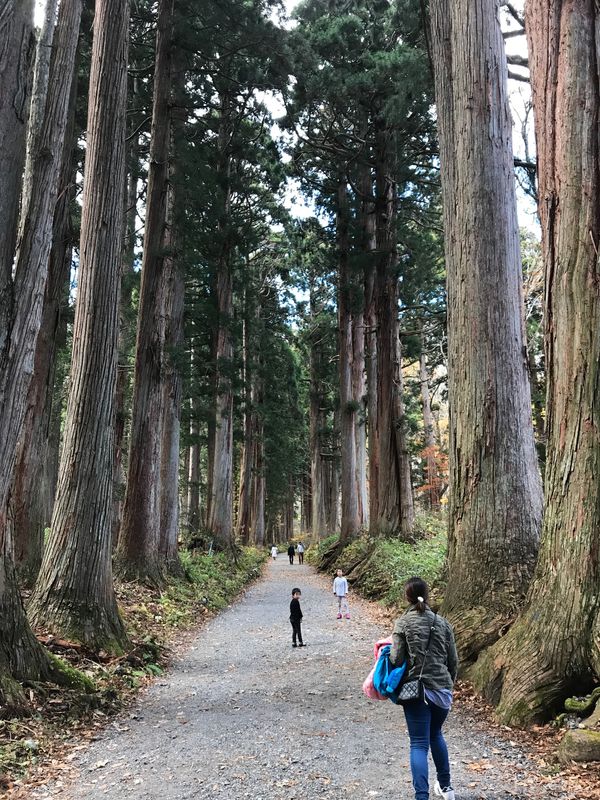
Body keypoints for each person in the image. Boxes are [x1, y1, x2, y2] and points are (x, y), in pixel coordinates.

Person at [389, 577, 458, 800]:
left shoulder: (403, 623)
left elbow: (397, 659)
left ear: (407, 597)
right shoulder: (443, 623)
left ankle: (422, 796)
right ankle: (447, 788)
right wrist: (448, 684)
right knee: (436, 734)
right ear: (427, 596)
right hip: (442, 690)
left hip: (416, 691)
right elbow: (453, 661)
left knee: (419, 743)